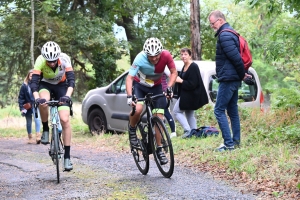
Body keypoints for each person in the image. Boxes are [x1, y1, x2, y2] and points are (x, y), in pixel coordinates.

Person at [126, 37, 177, 165]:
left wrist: (169, 87)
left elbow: (174, 72)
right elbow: (129, 77)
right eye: (150, 56)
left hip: (156, 87)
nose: (154, 59)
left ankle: (159, 148)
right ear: (146, 54)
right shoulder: (139, 58)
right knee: (137, 110)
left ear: (161, 52)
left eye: (156, 56)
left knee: (159, 118)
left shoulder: (166, 55)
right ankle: (132, 129)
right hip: (140, 87)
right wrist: (129, 96)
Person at [208, 10, 251, 151]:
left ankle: (229, 144)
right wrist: (241, 75)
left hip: (228, 79)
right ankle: (236, 141)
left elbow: (236, 59)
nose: (212, 26)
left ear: (220, 20)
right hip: (232, 77)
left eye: (212, 23)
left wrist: (241, 74)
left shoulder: (225, 35)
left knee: (219, 110)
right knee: (232, 111)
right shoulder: (230, 32)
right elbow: (234, 59)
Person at [30, 41, 75, 171]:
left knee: (65, 120)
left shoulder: (65, 59)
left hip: (61, 86)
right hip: (45, 85)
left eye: (54, 60)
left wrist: (67, 96)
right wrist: (37, 98)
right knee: (44, 101)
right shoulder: (40, 61)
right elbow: (34, 83)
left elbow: (71, 81)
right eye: (49, 61)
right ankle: (45, 129)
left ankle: (67, 158)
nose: (51, 63)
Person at [173, 48, 208, 138]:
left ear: (190, 56)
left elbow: (193, 84)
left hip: (192, 95)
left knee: (176, 111)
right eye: (182, 54)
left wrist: (181, 81)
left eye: (185, 54)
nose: (183, 56)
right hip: (186, 95)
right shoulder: (184, 67)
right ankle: (194, 132)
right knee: (189, 114)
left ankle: (188, 130)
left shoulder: (193, 67)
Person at [18, 70, 41, 144]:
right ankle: (30, 137)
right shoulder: (24, 86)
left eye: (33, 76)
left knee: (37, 119)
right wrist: (21, 108)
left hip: (35, 105)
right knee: (29, 122)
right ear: (28, 76)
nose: (32, 77)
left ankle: (38, 137)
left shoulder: (38, 84)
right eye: (31, 76)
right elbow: (21, 98)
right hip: (27, 106)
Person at [161, 71, 176, 138]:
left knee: (165, 112)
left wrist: (168, 88)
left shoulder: (163, 68)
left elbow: (172, 75)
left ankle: (173, 131)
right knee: (165, 112)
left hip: (162, 92)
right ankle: (173, 132)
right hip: (163, 91)